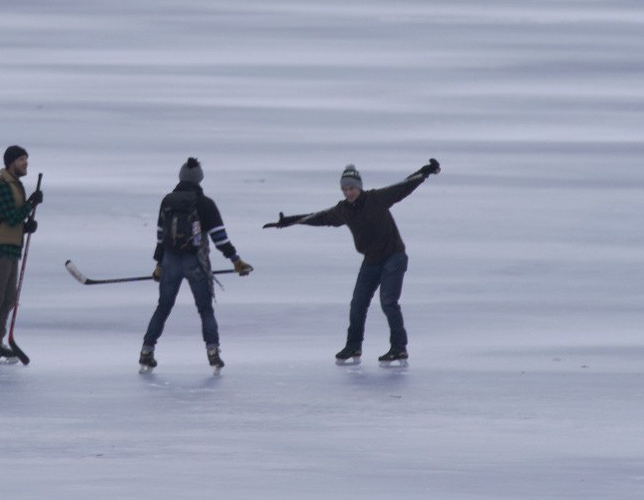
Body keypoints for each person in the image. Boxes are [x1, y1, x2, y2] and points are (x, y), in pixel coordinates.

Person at [265, 158, 439, 364]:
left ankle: (399, 348)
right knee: (357, 304)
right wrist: (289, 221)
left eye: (351, 189)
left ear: (359, 187)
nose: (348, 193)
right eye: (345, 189)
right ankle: (353, 346)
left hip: (394, 256)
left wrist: (425, 172)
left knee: (388, 302)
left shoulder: (377, 198)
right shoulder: (343, 210)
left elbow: (404, 186)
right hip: (371, 260)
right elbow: (321, 217)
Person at [139, 157, 252, 371]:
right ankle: (213, 353)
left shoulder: (167, 201)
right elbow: (220, 238)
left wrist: (159, 264)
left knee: (163, 308)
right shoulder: (204, 203)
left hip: (170, 260)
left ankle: (146, 351)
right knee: (205, 310)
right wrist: (236, 261)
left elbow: (161, 235)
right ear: (200, 178)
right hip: (196, 262)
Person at [0, 144, 42, 363]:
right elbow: (11, 217)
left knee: (9, 298)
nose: (26, 163)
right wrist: (30, 204)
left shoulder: (15, 185)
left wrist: (26, 227)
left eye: (26, 159)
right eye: (22, 159)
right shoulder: (2, 186)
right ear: (11, 162)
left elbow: (11, 222)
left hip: (11, 246)